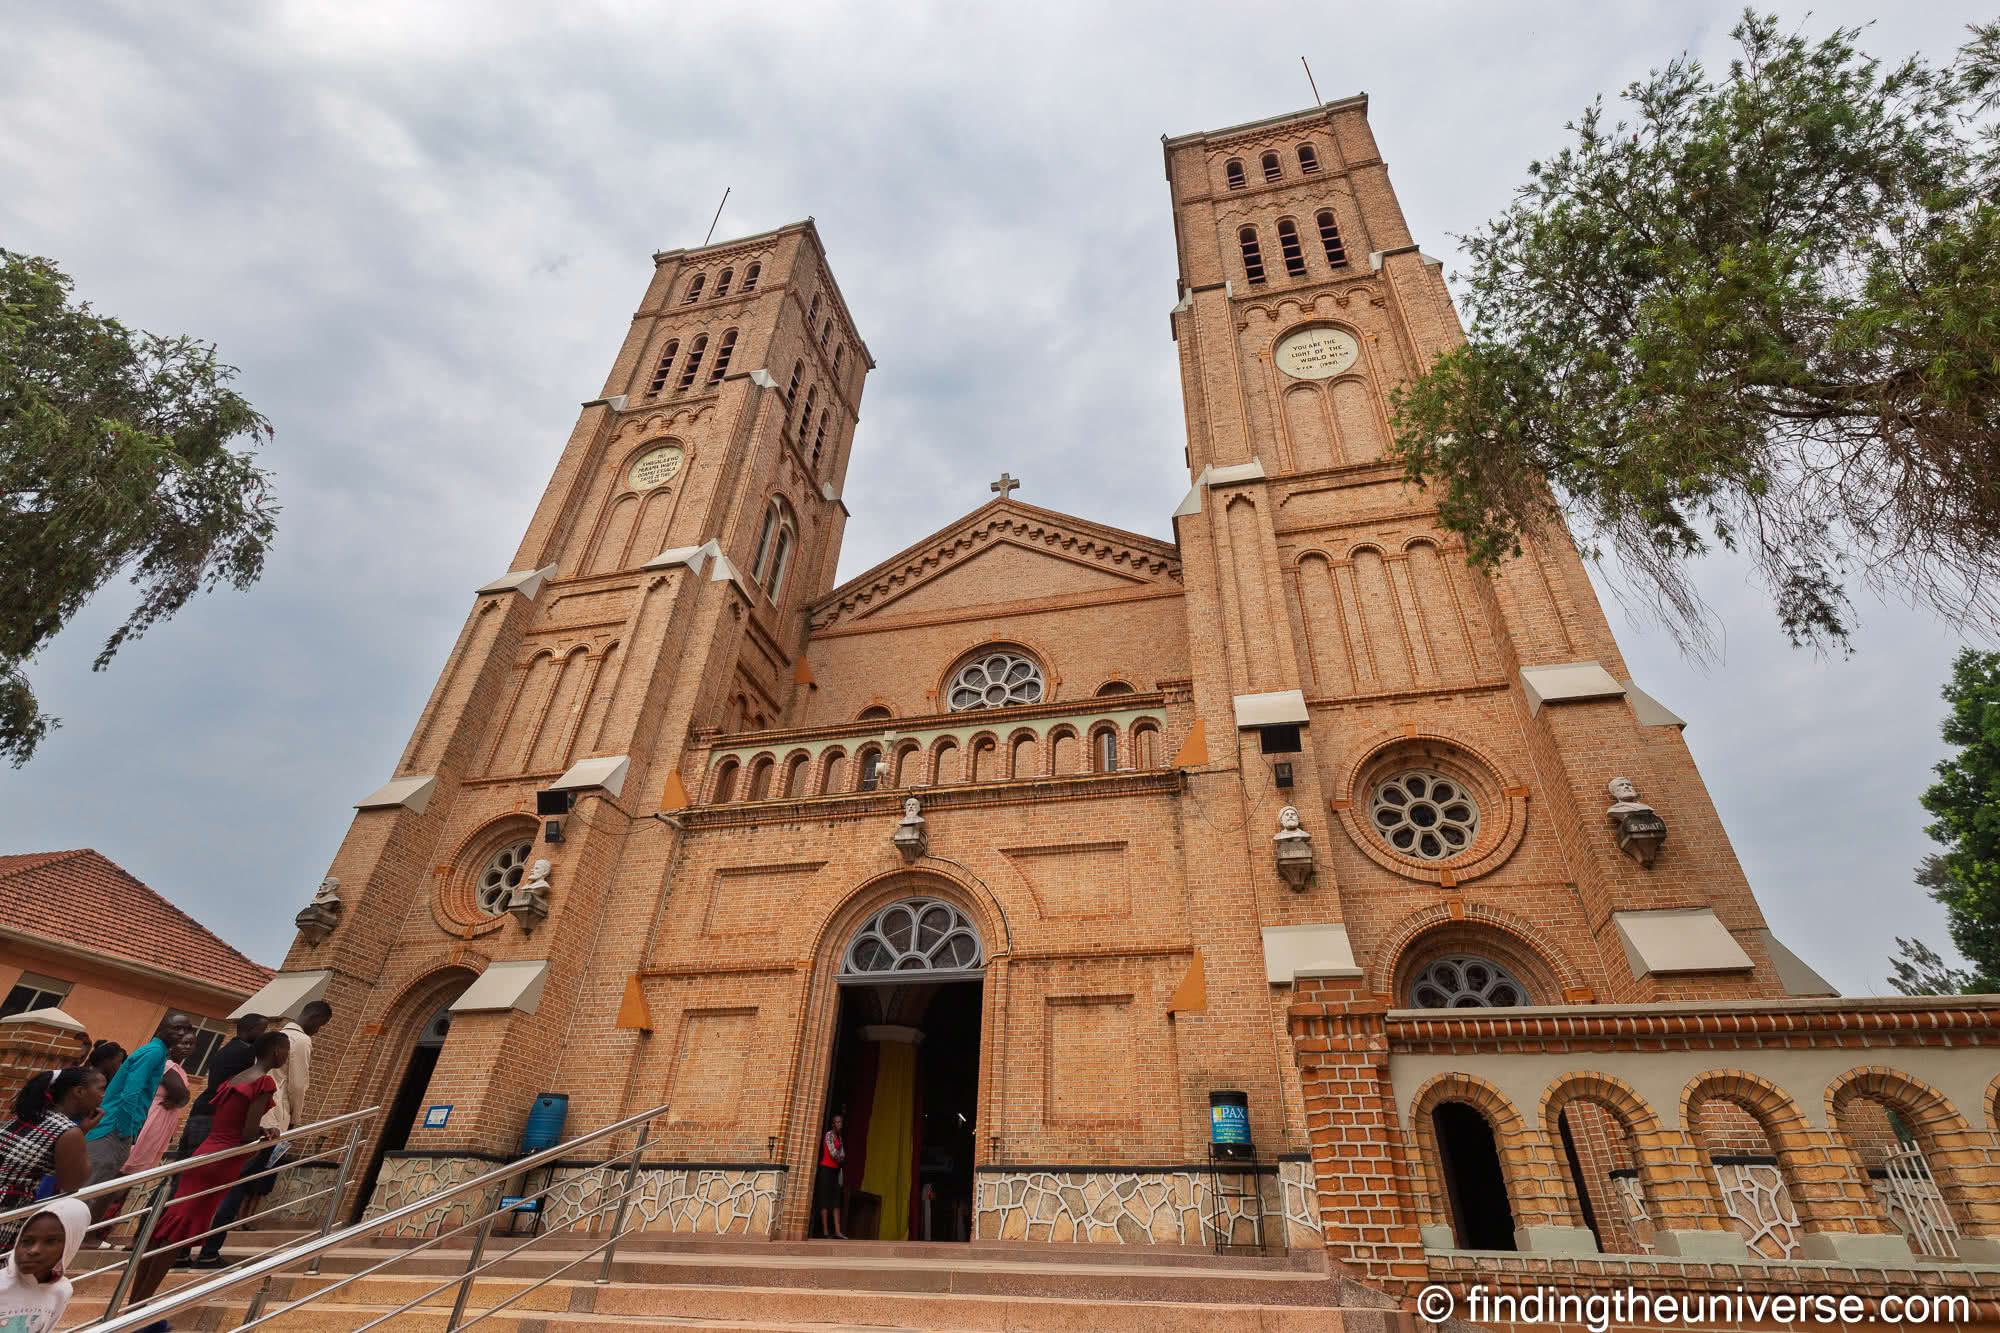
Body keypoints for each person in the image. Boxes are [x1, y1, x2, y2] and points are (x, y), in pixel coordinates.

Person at [123, 1031, 287, 1305]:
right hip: (222, 1161)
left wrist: (259, 1129)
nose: (287, 1056)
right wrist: (262, 1139)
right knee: (178, 1232)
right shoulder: (265, 1081)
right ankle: (139, 1303)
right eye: (286, 1051)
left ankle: (136, 1299)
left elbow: (230, 1119)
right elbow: (245, 1135)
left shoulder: (237, 1078)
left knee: (168, 1226)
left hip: (206, 1152)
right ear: (276, 1052)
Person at [190, 1000, 329, 1268]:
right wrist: (297, 1120)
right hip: (270, 1122)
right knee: (237, 1184)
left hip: (235, 1130)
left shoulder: (245, 1074)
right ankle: (209, 1250)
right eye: (321, 1025)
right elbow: (298, 1084)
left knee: (219, 1185)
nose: (319, 1030)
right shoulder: (297, 1044)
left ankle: (186, 1248)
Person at [82, 1015, 192, 1208]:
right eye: (176, 1028)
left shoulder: (158, 1052)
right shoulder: (154, 1053)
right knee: (87, 1192)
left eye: (186, 1029)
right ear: (161, 1029)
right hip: (113, 1128)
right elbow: (130, 1093)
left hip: (117, 1127)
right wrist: (126, 1130)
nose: (182, 1033)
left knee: (95, 1190)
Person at [0, 1070, 104, 1247]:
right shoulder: (67, 1131)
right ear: (79, 1092)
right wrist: (82, 1133)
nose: (104, 1095)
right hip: (8, 1211)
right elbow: (73, 1183)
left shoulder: (29, 1115)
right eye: (101, 1089)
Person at [176, 1015, 265, 1160]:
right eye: (262, 1030)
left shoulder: (230, 1047)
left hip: (203, 1108)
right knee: (198, 1162)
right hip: (213, 1113)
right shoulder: (245, 1052)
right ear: (251, 1030)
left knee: (187, 1160)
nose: (262, 1035)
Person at [0, 1199, 90, 1331]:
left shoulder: (62, 1291)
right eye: (27, 1241)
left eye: (50, 1241)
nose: (34, 1250)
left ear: (70, 1245)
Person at [814, 1113, 848, 1240]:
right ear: (833, 1124)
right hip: (826, 1169)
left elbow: (843, 1155)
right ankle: (825, 1232)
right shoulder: (829, 1135)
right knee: (824, 1199)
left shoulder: (840, 1137)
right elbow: (834, 1153)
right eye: (837, 1122)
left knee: (836, 1201)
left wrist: (840, 1158)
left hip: (835, 1171)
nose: (840, 1124)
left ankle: (838, 1232)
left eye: (841, 1122)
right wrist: (840, 1158)